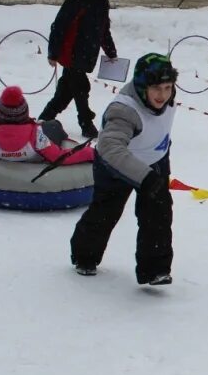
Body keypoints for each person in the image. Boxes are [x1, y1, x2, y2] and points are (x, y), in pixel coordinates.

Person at [70, 54, 179, 285]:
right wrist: (144, 176)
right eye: (156, 88)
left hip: (155, 159)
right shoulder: (124, 110)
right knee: (106, 211)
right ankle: (85, 256)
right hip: (117, 164)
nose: (162, 95)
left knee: (158, 213)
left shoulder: (168, 97)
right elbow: (110, 147)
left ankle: (155, 270)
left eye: (168, 87)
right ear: (142, 86)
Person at [38, 0, 118, 139]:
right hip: (72, 52)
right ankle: (86, 124)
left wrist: (111, 51)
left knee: (66, 91)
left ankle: (45, 118)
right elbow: (59, 26)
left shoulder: (102, 2)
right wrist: (53, 53)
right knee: (81, 87)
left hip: (88, 54)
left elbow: (104, 30)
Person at [0, 85, 94, 166]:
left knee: (47, 125)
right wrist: (89, 153)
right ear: (24, 112)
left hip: (14, 137)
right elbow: (58, 157)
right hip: (36, 144)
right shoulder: (35, 135)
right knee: (53, 125)